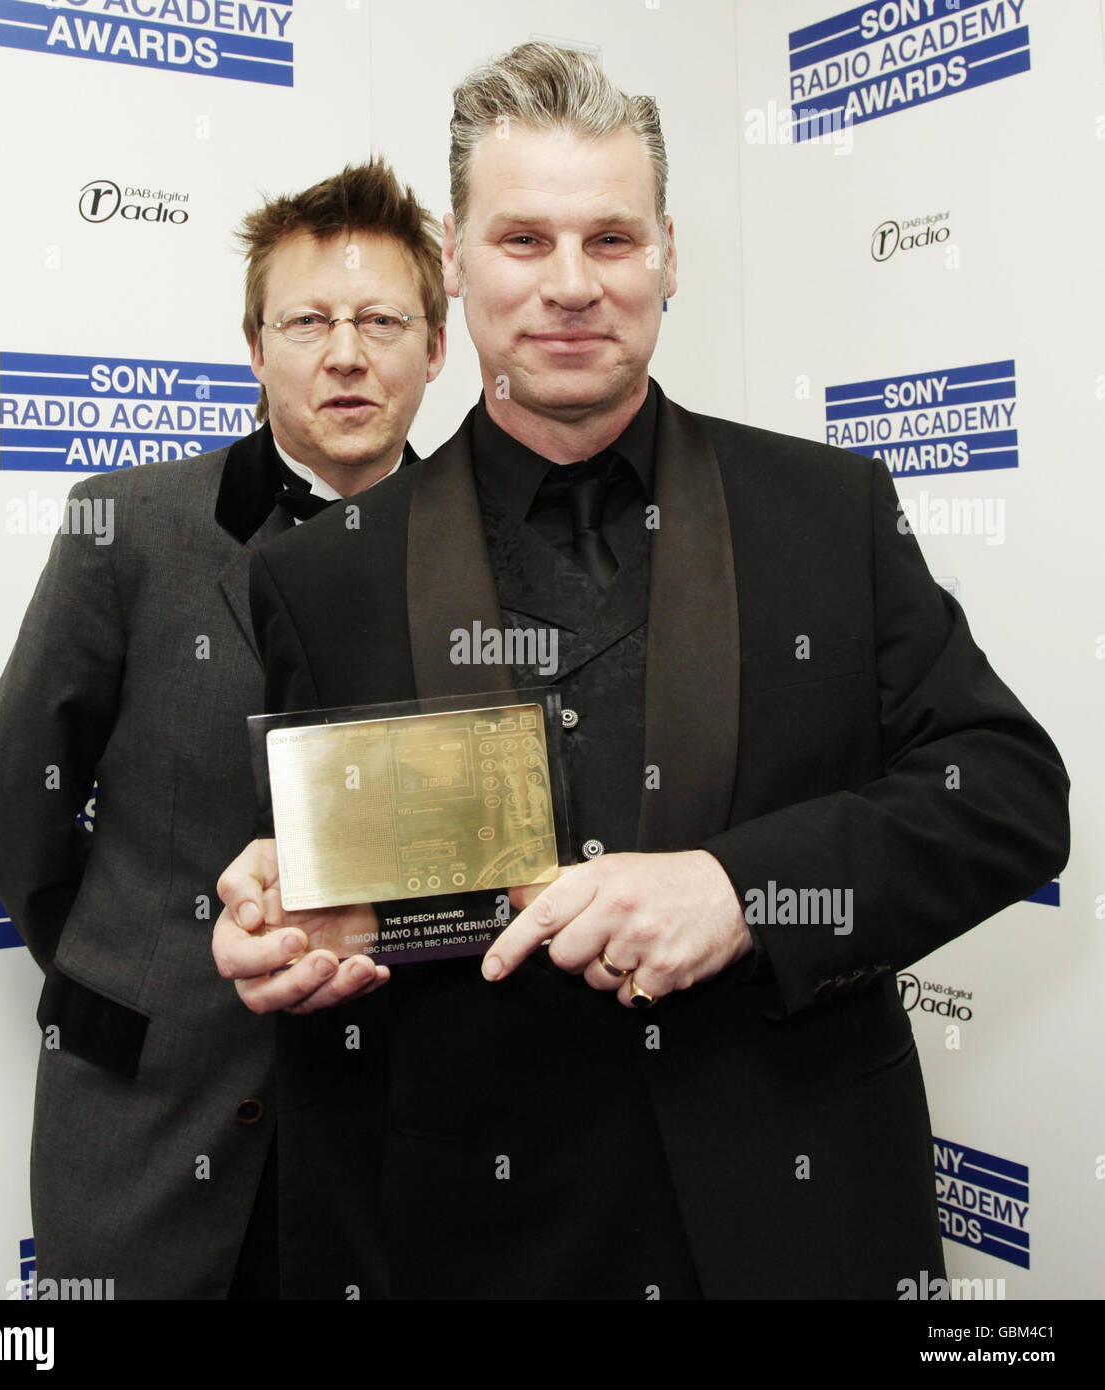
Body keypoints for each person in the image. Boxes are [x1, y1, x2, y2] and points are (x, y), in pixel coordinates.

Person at [212, 43, 1069, 1299]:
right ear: (454, 259)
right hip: (469, 1239)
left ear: (668, 253)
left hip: (799, 1217)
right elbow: (331, 892)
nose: (570, 286)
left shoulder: (824, 509)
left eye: (610, 240)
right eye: (522, 241)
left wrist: (743, 890)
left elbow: (1003, 794)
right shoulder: (321, 574)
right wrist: (279, 925)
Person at [0, 158, 447, 1298]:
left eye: (381, 320)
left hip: (398, 1127)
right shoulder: (124, 526)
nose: (344, 352)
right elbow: (10, 793)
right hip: (143, 1107)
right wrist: (128, 964)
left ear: (435, 347)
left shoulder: (488, 555)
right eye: (308, 320)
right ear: (253, 343)